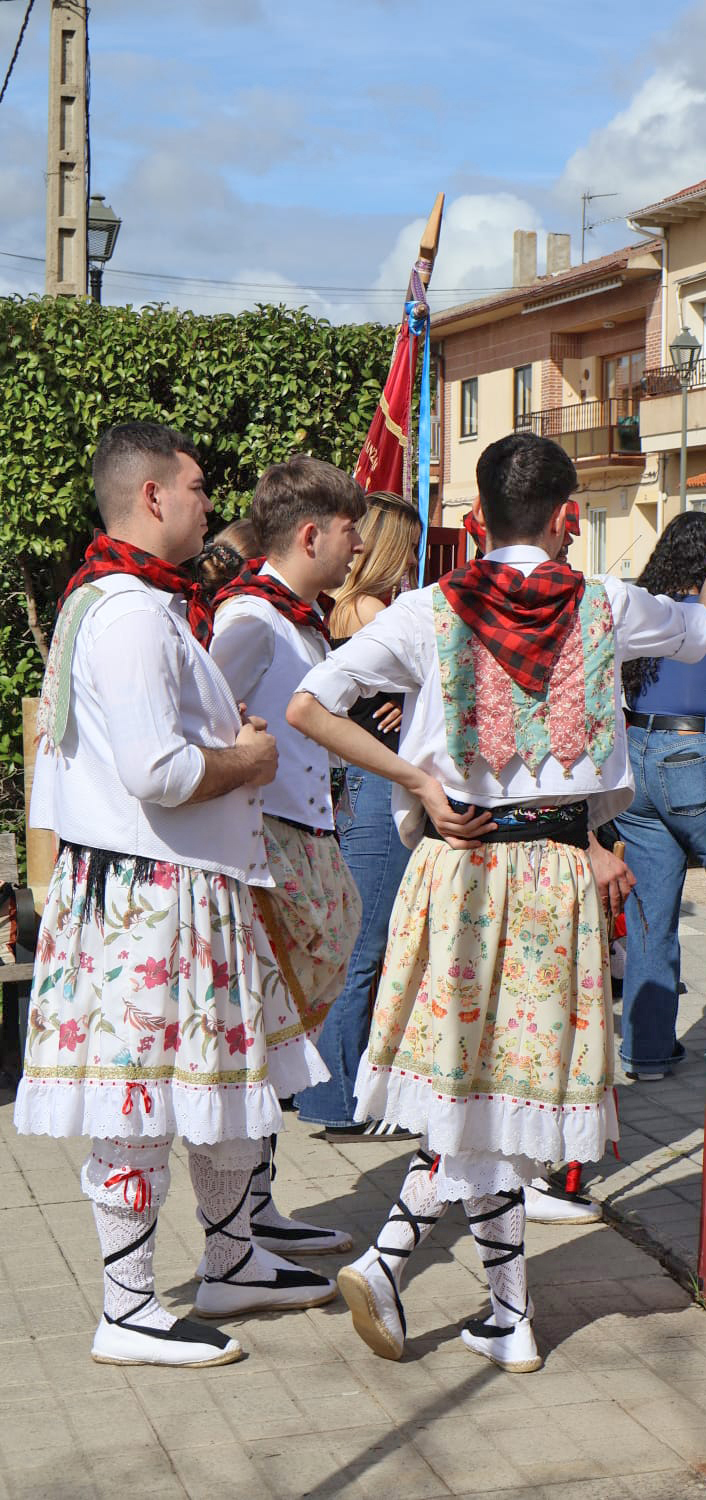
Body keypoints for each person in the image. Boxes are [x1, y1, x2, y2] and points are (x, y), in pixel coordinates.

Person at [287, 431, 706, 1373]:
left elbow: (311, 702)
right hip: (553, 870)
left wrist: (419, 781)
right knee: (507, 1092)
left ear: (477, 522)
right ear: (565, 519)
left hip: (459, 868)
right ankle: (491, 1311)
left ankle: (446, 1287)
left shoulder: (427, 612)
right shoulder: (605, 604)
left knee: (470, 1090)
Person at [14, 422, 337, 1370]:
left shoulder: (130, 601)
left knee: (215, 1094)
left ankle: (232, 1258)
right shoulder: (127, 613)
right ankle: (125, 1309)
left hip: (175, 890)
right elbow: (155, 770)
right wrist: (251, 756)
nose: (210, 501)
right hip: (152, 897)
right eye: (197, 486)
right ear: (153, 497)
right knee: (142, 1102)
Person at [209, 456, 367, 1255]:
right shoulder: (249, 619)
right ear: (312, 534)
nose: (358, 548)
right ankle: (236, 1224)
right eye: (349, 533)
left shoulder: (291, 616)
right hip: (264, 849)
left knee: (287, 1034)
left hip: (300, 839)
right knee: (269, 1036)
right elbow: (204, 725)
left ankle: (258, 1205)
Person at [294, 491, 421, 1142]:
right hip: (374, 787)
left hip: (350, 786)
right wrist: (411, 692)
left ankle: (334, 1093)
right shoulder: (372, 611)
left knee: (350, 945)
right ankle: (338, 1101)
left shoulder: (338, 608)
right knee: (364, 949)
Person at [617, 512, 706, 1081]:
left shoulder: (648, 613)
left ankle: (648, 1051)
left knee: (648, 917)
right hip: (699, 757)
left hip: (637, 756)